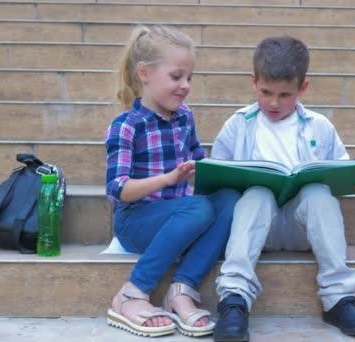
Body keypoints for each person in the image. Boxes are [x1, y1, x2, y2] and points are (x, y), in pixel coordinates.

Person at [211, 36, 355, 341]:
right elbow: (218, 176)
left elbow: (343, 171)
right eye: (266, 92)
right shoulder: (238, 124)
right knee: (257, 194)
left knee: (317, 193)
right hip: (256, 228)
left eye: (285, 94)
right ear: (253, 82)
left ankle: (339, 298)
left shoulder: (319, 126)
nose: (274, 103)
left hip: (304, 228)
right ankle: (234, 299)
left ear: (303, 88)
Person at [104, 25, 241, 338]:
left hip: (181, 215)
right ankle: (132, 292)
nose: (185, 86)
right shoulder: (126, 125)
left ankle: (181, 289)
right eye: (176, 76)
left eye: (189, 78)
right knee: (197, 210)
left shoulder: (184, 116)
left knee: (230, 199)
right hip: (136, 221)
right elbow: (118, 190)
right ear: (144, 73)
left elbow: (199, 162)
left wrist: (232, 174)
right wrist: (167, 178)